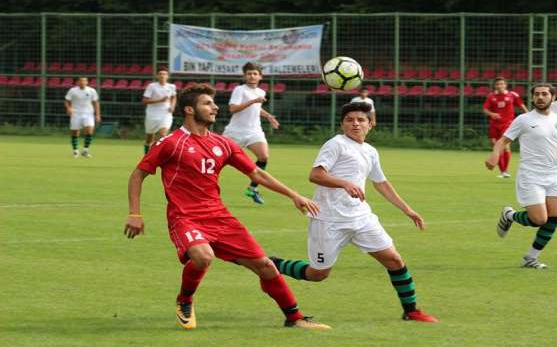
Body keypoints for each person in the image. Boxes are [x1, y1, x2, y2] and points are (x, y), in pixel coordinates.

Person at [124, 83, 330, 330]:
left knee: (265, 266)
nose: (215, 107)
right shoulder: (171, 143)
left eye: (213, 103)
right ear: (189, 110)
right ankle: (185, 300)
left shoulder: (223, 144)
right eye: (207, 103)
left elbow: (257, 174)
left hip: (220, 217)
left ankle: (294, 318)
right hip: (185, 217)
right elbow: (138, 174)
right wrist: (135, 213)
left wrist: (293, 195)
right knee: (203, 256)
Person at [270, 102, 438, 323]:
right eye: (349, 120)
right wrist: (344, 184)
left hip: (361, 218)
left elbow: (381, 183)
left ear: (371, 124)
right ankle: (272, 263)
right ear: (342, 124)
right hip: (329, 219)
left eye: (360, 119)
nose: (355, 123)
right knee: (317, 274)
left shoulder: (370, 151)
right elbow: (315, 175)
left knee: (394, 260)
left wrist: (408, 210)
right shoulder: (336, 144)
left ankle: (411, 310)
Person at [485, 83, 557, 269]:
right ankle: (509, 215)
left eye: (544, 94)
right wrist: (494, 156)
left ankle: (530, 258)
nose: (540, 97)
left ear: (552, 97)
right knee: (539, 220)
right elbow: (503, 141)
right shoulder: (524, 120)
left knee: (556, 217)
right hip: (531, 176)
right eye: (537, 94)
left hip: (555, 175)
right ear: (533, 98)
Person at [223, 62, 279, 205]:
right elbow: (233, 109)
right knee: (218, 160)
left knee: (264, 157)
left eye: (255, 73)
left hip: (254, 130)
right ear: (244, 76)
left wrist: (268, 116)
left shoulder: (261, 92)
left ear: (260, 76)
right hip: (234, 132)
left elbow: (256, 108)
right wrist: (253, 101)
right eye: (249, 73)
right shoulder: (239, 90)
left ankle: (252, 188)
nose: (252, 76)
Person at [483, 77, 528, 178]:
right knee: (496, 147)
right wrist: (492, 114)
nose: (499, 86)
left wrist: (529, 116)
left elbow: (521, 106)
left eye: (501, 84)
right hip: (494, 125)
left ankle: (505, 171)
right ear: (495, 86)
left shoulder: (512, 95)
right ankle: (502, 171)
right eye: (497, 84)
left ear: (505, 85)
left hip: (508, 124)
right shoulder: (491, 96)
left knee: (505, 146)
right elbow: (485, 109)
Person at [142, 68, 177, 154]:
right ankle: (147, 154)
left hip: (166, 114)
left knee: (163, 135)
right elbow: (145, 101)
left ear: (167, 76)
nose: (162, 75)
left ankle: (158, 154)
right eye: (160, 74)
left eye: (164, 74)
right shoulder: (152, 86)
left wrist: (172, 106)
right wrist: (160, 100)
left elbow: (173, 97)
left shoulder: (171, 86)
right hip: (152, 114)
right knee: (149, 137)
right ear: (157, 76)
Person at [64, 77, 100, 158]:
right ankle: (75, 151)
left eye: (84, 81)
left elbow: (96, 103)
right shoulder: (72, 90)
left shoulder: (92, 91)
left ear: (87, 82)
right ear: (77, 82)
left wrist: (97, 115)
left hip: (88, 114)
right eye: (80, 80)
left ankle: (85, 150)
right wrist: (68, 108)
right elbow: (67, 101)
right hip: (76, 113)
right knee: (75, 132)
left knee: (89, 130)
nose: (82, 82)